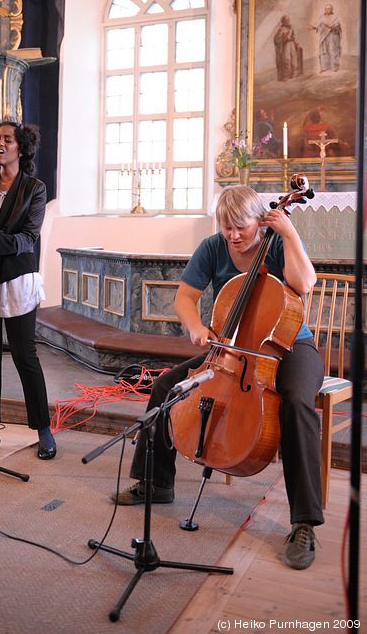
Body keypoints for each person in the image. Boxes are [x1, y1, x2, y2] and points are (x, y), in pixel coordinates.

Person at [111, 185, 324, 570]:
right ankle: (156, 482)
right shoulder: (212, 247)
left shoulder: (277, 243)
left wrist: (290, 233)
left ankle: (304, 522)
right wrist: (195, 327)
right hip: (233, 349)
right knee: (166, 386)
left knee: (296, 403)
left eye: (240, 227)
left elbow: (304, 284)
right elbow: (184, 298)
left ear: (261, 221)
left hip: (291, 346)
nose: (233, 235)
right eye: (226, 227)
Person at [0, 119, 56, 461]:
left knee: (24, 356)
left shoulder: (35, 188)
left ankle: (44, 430)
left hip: (17, 280)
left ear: (22, 147)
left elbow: (28, 238)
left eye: (7, 139)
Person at [308, 4, 342, 72]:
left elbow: (338, 26)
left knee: (332, 50)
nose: (327, 10)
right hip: (324, 36)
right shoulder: (323, 17)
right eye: (326, 9)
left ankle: (334, 67)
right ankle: (324, 67)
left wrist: (331, 27)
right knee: (323, 51)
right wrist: (313, 28)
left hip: (333, 36)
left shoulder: (335, 17)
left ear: (331, 9)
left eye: (328, 9)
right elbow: (318, 25)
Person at [273, 15, 300, 81]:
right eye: (286, 19)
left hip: (292, 45)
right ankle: (285, 76)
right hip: (285, 46)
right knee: (286, 60)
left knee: (294, 58)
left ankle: (294, 74)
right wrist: (284, 37)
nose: (288, 20)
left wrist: (297, 44)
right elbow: (276, 39)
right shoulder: (281, 29)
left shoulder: (291, 28)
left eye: (288, 19)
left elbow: (294, 36)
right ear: (283, 21)